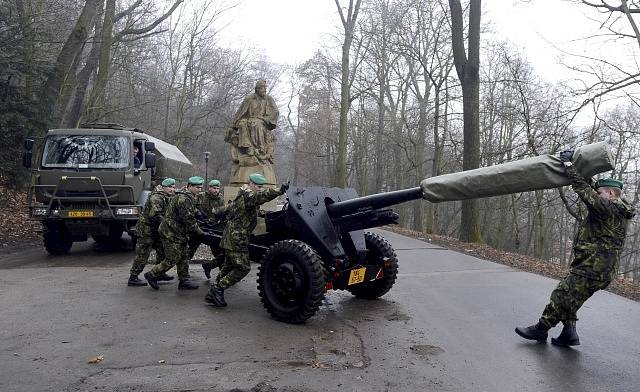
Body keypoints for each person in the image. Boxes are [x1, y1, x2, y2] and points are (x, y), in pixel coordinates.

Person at [515, 150, 636, 346]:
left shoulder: (608, 208)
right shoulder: (619, 209)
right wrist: (581, 169)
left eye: (600, 192)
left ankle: (541, 329)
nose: (597, 194)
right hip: (598, 269)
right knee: (572, 298)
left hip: (591, 268)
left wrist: (569, 166)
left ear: (611, 193)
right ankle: (569, 333)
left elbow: (583, 189)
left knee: (562, 294)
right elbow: (589, 188)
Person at [205, 173, 288, 307]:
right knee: (243, 268)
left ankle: (212, 293)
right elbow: (260, 198)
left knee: (227, 267)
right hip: (236, 239)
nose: (260, 189)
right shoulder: (248, 195)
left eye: (262, 187)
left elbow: (250, 210)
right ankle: (218, 289)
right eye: (258, 186)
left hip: (233, 237)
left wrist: (268, 215)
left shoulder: (245, 195)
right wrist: (279, 191)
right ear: (251, 184)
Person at [144, 176, 208, 290]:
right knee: (172, 258)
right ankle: (152, 274)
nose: (200, 190)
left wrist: (198, 213)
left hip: (178, 232)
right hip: (171, 232)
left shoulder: (188, 196)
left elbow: (190, 212)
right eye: (197, 187)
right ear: (190, 186)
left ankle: (184, 281)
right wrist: (200, 232)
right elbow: (188, 220)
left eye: (201, 187)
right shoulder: (183, 199)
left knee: (184, 256)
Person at [127, 178, 176, 286]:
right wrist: (169, 224)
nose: (172, 189)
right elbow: (156, 215)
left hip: (156, 229)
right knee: (143, 254)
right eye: (170, 187)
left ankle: (159, 273)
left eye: (173, 187)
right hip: (146, 229)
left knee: (162, 251)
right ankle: (133, 277)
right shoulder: (156, 197)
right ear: (163, 187)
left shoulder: (166, 196)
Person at [225, 79, 279, 166]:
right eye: (262, 88)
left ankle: (260, 150)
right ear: (257, 89)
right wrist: (233, 125)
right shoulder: (249, 98)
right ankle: (248, 148)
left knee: (256, 124)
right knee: (242, 124)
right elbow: (240, 112)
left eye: (265, 88)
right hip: (249, 119)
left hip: (262, 121)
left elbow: (275, 111)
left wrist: (265, 119)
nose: (264, 90)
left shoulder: (268, 99)